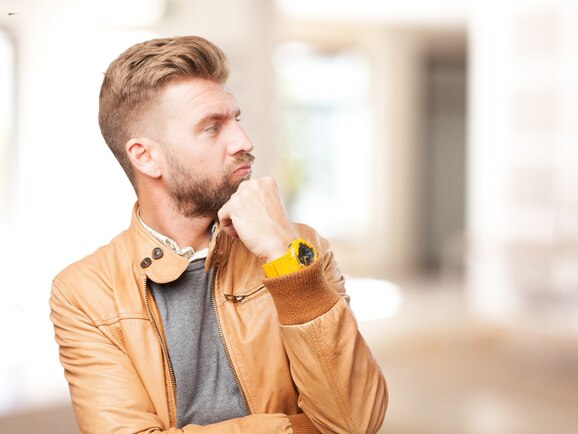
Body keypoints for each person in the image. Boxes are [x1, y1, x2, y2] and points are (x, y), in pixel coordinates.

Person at [50, 35, 388, 434]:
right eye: (212, 128)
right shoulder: (86, 292)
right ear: (145, 156)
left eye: (236, 119)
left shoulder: (300, 248)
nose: (243, 142)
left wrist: (283, 255)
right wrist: (296, 429)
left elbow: (356, 421)